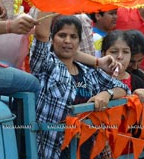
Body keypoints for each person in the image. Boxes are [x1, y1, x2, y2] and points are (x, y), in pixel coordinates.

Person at [30, 14, 130, 159]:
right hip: (53, 151)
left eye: (73, 36)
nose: (67, 41)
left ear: (79, 42)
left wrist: (106, 94)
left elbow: (123, 89)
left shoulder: (89, 72)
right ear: (52, 39)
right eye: (62, 35)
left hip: (86, 151)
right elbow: (41, 33)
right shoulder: (47, 66)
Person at [101, 30, 144, 102]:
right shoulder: (91, 77)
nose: (120, 57)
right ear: (103, 54)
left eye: (126, 52)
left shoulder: (139, 82)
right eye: (114, 52)